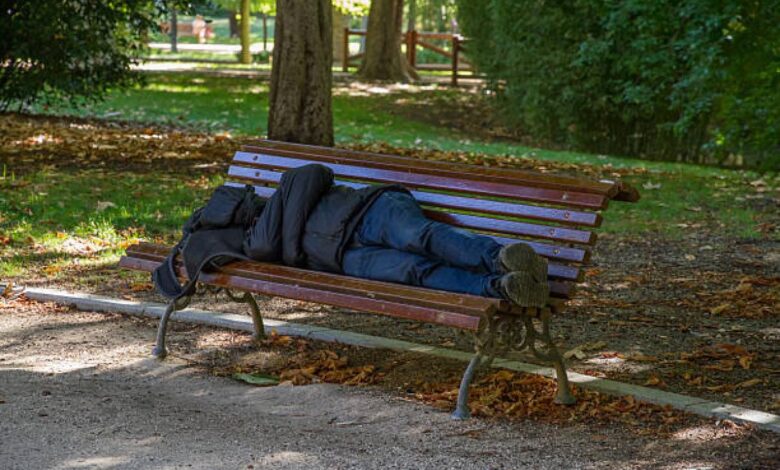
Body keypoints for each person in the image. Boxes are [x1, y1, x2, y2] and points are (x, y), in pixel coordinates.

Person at [154, 164, 549, 307]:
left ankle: (500, 258)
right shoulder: (256, 241)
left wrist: (288, 249)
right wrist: (284, 249)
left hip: (369, 211)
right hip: (344, 260)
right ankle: (501, 287)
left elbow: (312, 172)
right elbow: (265, 247)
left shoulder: (274, 204)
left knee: (419, 236)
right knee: (416, 273)